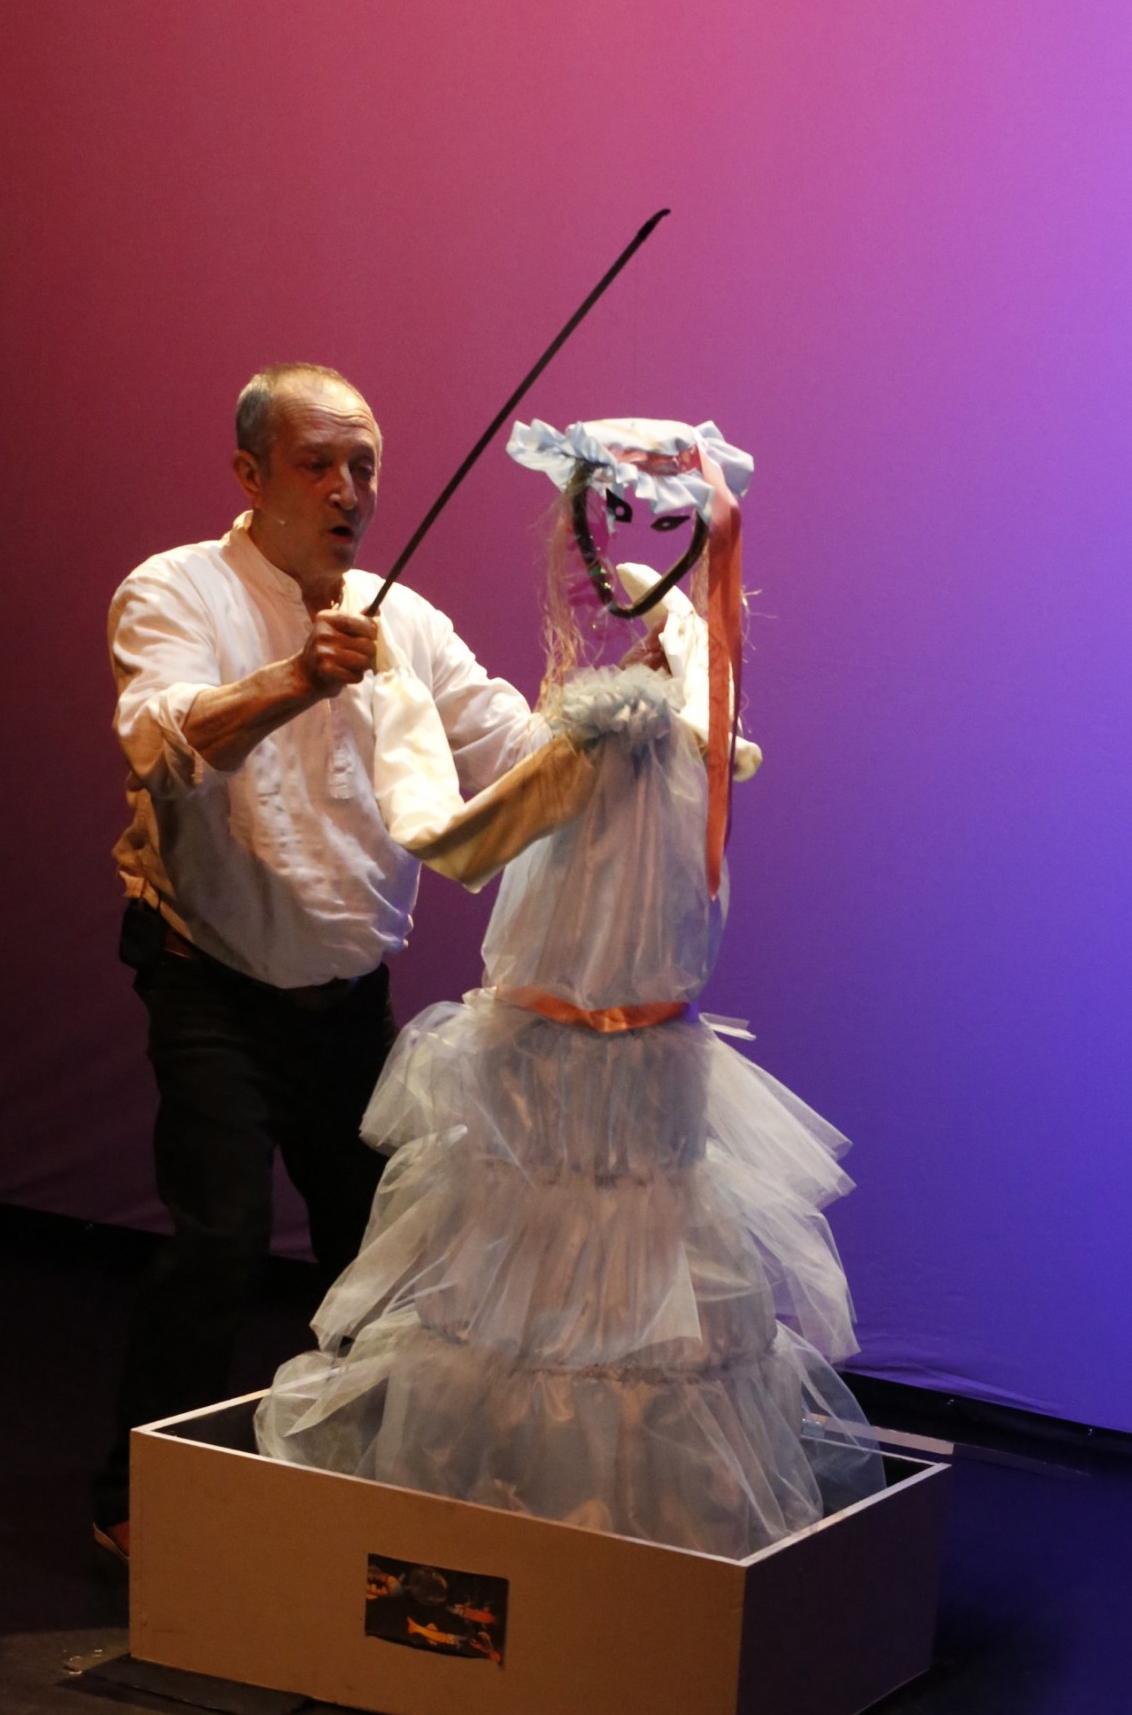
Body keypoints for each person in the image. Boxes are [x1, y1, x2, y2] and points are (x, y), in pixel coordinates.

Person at [254, 415, 882, 1560]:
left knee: (528, 1313)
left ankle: (527, 1552)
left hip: (558, 1082)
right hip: (645, 1076)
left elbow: (451, 841)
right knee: (635, 1315)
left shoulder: (602, 742)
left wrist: (391, 693)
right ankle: (628, 1552)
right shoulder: (701, 730)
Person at [92, 365, 542, 1556]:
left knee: (377, 1249)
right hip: (211, 974)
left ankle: (360, 1471)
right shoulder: (176, 589)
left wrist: (619, 722)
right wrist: (299, 674)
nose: (349, 490)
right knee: (222, 1236)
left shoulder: (408, 621)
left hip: (346, 994)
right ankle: (133, 1498)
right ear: (251, 474)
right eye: (318, 464)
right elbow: (160, 743)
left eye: (365, 467)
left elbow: (510, 744)